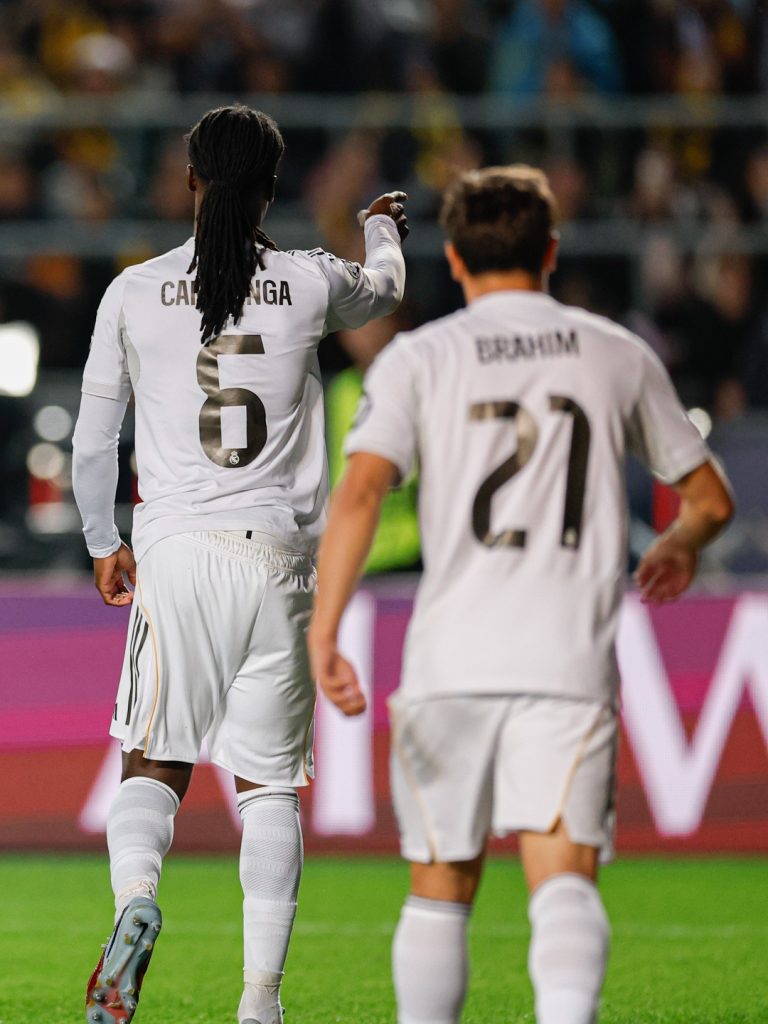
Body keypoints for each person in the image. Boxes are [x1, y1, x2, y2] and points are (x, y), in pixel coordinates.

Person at [308, 166, 734, 1024]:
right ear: (550, 251)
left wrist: (323, 633)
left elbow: (357, 494)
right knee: (563, 880)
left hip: (449, 661)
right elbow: (711, 499)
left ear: (456, 261)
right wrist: (683, 543)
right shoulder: (616, 351)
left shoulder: (417, 358)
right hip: (565, 662)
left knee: (439, 887)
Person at [71, 103, 408, 1024]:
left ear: (190, 181)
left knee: (151, 767)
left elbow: (96, 440)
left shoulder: (135, 292)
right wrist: (380, 224)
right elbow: (386, 287)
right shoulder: (306, 283)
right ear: (271, 188)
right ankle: (260, 1002)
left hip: (178, 552)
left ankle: (137, 900)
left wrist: (105, 543)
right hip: (284, 562)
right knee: (269, 789)